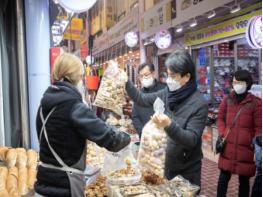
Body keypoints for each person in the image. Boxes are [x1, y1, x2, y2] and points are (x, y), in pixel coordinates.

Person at [34, 53, 130, 197]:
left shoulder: (43, 106)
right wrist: (126, 137)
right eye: (81, 77)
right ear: (77, 78)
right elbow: (110, 139)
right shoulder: (75, 106)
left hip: (43, 182)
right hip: (66, 186)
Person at [125, 50, 208, 187]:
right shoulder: (168, 93)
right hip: (165, 164)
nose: (169, 80)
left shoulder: (199, 103)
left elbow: (191, 140)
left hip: (186, 170)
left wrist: (168, 125)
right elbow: (142, 99)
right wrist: (126, 81)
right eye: (168, 75)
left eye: (173, 76)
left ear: (186, 77)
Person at [216, 70, 262, 197]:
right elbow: (220, 118)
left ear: (247, 84)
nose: (236, 85)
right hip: (228, 146)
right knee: (223, 179)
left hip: (245, 148)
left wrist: (257, 139)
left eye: (240, 82)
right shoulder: (227, 100)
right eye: (235, 82)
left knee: (244, 181)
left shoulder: (256, 103)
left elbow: (259, 127)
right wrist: (222, 132)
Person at [132, 62, 166, 138]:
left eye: (146, 75)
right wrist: (143, 132)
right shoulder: (138, 94)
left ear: (153, 74)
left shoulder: (164, 90)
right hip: (145, 139)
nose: (143, 78)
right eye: (141, 76)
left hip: (163, 137)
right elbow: (135, 117)